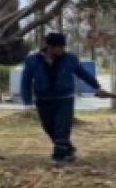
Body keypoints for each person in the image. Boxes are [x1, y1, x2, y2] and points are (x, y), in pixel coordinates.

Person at [19, 32, 108, 165]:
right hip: (43, 99)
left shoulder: (69, 59)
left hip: (64, 98)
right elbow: (25, 81)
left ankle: (59, 156)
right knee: (49, 127)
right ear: (49, 47)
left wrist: (96, 86)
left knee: (62, 127)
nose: (61, 50)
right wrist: (27, 102)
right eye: (58, 47)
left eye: (62, 47)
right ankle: (68, 149)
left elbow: (82, 73)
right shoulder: (33, 60)